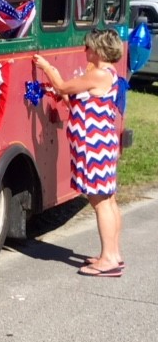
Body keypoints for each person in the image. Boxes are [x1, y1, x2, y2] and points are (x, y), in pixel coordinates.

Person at [33, 28, 125, 278]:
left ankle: (108, 260)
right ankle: (113, 253)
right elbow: (75, 99)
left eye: (87, 46)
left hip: (93, 145)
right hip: (103, 143)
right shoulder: (107, 74)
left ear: (96, 50)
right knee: (108, 200)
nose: (84, 50)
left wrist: (46, 68)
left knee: (100, 202)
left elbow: (62, 84)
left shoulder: (97, 75)